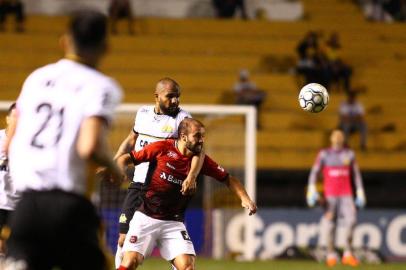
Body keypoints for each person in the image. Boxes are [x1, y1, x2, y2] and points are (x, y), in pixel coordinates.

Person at [2, 9, 123, 270]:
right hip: (69, 207)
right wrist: (115, 170)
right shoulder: (102, 86)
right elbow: (89, 146)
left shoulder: (36, 78)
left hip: (27, 206)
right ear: (105, 47)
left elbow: (9, 144)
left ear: (65, 41)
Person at [116, 118, 257, 270]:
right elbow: (127, 158)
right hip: (146, 217)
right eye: (197, 136)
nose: (201, 140)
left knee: (187, 267)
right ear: (183, 136)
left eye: (203, 136)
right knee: (130, 262)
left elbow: (228, 178)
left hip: (173, 222)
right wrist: (119, 168)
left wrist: (245, 198)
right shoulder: (162, 148)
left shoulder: (201, 162)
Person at [110, 77, 204, 268]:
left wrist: (191, 175)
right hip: (138, 184)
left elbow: (199, 151)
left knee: (176, 247)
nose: (175, 101)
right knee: (122, 239)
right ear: (157, 96)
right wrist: (115, 162)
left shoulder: (182, 119)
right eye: (170, 96)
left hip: (165, 188)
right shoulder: (142, 113)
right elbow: (131, 139)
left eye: (177, 97)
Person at [306, 129, 366, 267]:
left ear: (343, 139)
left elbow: (356, 174)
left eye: (340, 136)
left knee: (352, 221)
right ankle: (331, 254)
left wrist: (360, 191)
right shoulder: (324, 154)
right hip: (330, 195)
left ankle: (348, 253)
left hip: (346, 194)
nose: (338, 137)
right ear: (332, 139)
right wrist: (311, 188)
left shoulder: (349, 154)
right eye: (336, 136)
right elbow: (314, 172)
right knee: (330, 225)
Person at [0, 103, 19, 257]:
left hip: (18, 206)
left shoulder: (28, 143)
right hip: (0, 203)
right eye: (15, 116)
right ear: (7, 119)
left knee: (13, 249)